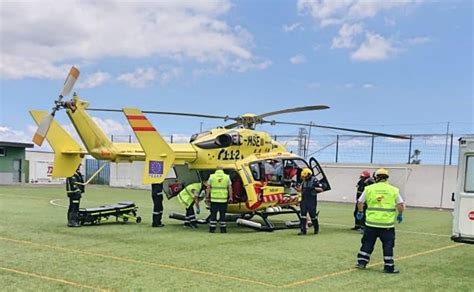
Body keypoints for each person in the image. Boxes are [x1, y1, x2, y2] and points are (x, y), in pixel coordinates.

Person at [355, 168, 405, 274]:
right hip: (387, 225)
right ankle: (389, 267)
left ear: (376, 177)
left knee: (367, 243)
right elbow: (400, 204)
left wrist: (360, 212)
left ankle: (362, 262)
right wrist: (400, 215)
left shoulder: (369, 189)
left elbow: (360, 202)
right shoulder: (394, 190)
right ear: (387, 178)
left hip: (371, 223)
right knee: (388, 245)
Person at [296, 168, 324, 235]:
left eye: (305, 177)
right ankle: (303, 230)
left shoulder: (314, 180)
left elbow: (321, 189)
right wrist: (297, 188)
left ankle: (316, 229)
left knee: (313, 216)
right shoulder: (304, 181)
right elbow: (300, 190)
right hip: (304, 199)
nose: (304, 178)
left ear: (309, 175)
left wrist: (313, 188)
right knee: (303, 215)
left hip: (311, 200)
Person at [206, 166, 232, 233]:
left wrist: (207, 197)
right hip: (223, 199)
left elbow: (208, 188)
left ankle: (212, 229)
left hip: (214, 199)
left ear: (216, 169)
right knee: (222, 214)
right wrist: (230, 197)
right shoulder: (227, 177)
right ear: (222, 169)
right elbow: (230, 188)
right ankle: (223, 229)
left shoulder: (212, 176)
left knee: (213, 214)